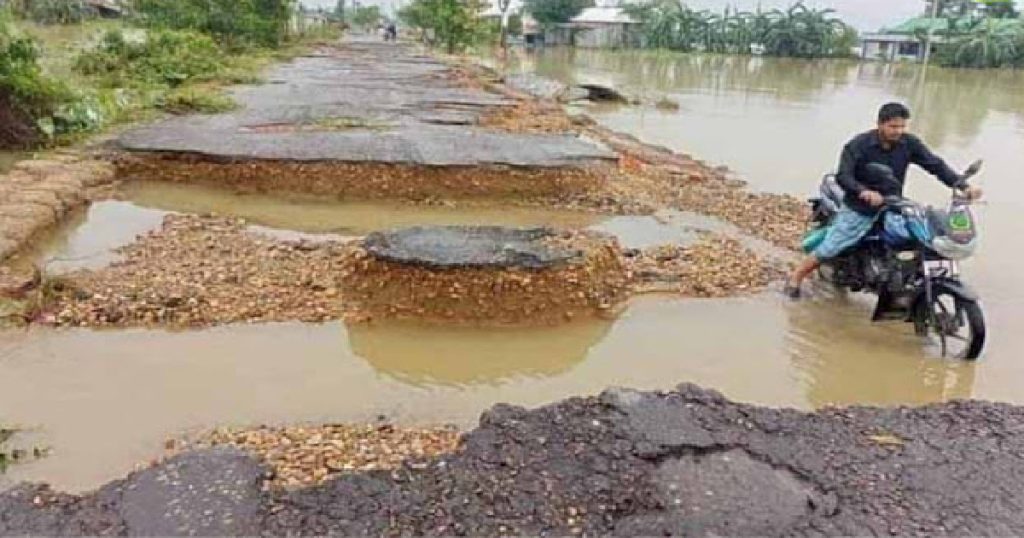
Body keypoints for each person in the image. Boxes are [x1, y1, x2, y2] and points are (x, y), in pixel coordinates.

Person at [785, 102, 983, 299]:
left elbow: (935, 165)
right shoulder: (859, 145)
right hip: (860, 207)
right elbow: (843, 176)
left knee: (919, 238)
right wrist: (863, 191)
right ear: (879, 124)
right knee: (833, 246)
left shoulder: (909, 143)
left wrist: (962, 186)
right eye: (893, 126)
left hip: (893, 204)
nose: (899, 131)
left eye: (902, 126)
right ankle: (796, 278)